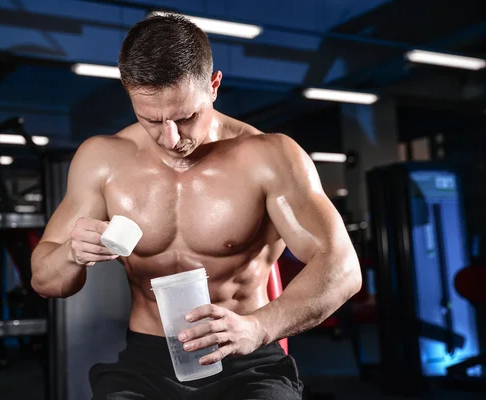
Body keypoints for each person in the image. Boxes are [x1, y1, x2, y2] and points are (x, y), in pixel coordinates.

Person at [31, 13, 361, 400]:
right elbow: (44, 279)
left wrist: (258, 327)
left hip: (246, 361)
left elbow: (341, 268)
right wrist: (73, 253)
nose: (170, 138)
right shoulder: (102, 160)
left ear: (214, 85)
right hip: (146, 363)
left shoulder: (269, 157)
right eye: (151, 119)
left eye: (186, 117)